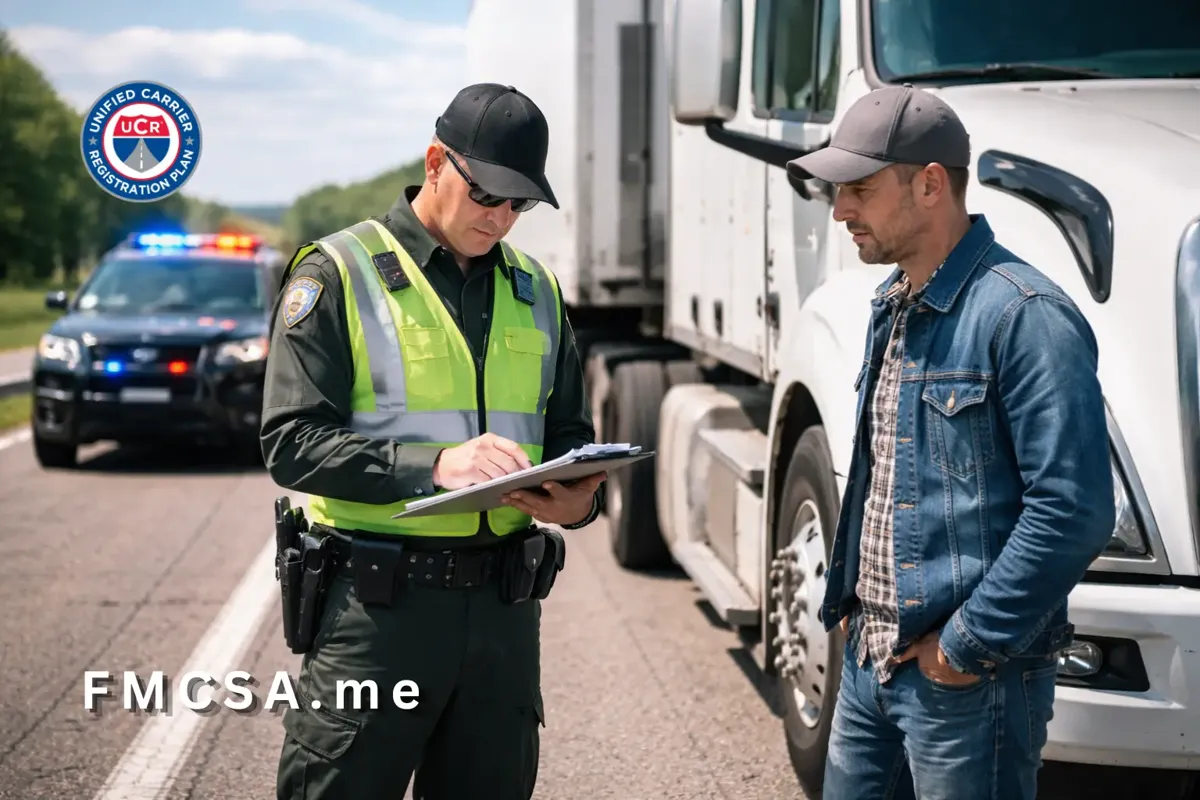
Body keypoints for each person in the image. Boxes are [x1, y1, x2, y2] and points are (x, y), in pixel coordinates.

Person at [262, 83, 605, 800]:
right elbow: (291, 441)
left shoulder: (537, 288)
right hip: (377, 615)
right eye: (488, 197)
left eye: (520, 204)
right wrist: (436, 466)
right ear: (436, 163)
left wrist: (575, 504)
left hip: (505, 619)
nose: (502, 218)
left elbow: (570, 433)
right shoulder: (339, 271)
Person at [786, 85, 1114, 800]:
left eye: (861, 190)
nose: (840, 211)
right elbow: (885, 479)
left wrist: (962, 649)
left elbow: (1075, 508)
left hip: (969, 687)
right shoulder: (893, 303)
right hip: (871, 663)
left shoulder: (1025, 317)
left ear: (930, 184)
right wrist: (849, 613)